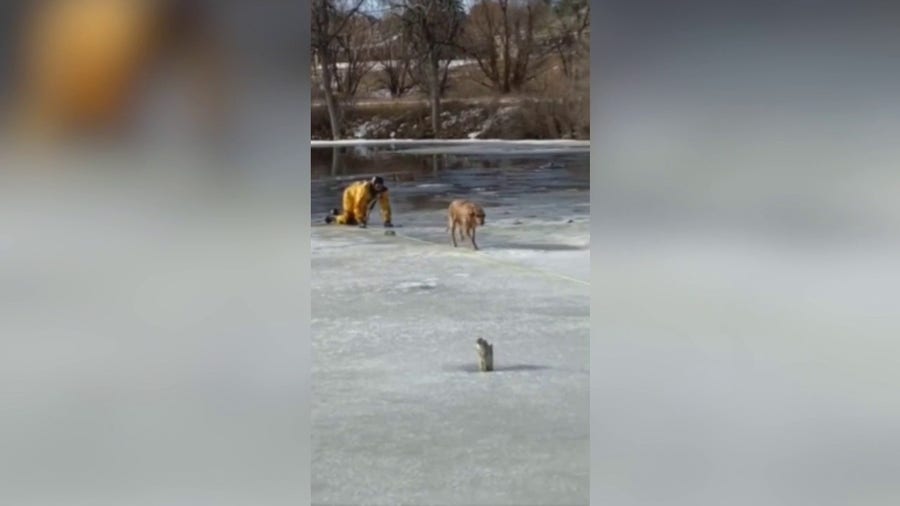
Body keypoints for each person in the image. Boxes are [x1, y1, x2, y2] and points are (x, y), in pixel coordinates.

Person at [325, 176, 394, 228]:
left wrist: (387, 220)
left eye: (380, 186)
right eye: (377, 186)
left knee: (356, 220)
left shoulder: (383, 192)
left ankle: (338, 212)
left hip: (362, 200)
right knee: (347, 219)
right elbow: (358, 205)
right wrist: (360, 220)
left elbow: (385, 206)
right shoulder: (364, 190)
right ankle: (333, 218)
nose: (378, 188)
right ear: (373, 185)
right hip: (350, 194)